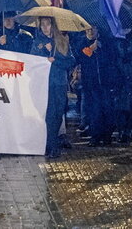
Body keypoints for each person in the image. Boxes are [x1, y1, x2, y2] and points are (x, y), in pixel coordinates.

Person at [30, 17, 76, 159]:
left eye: (48, 24)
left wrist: (56, 59)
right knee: (49, 114)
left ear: (53, 25)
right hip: (45, 84)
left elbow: (71, 61)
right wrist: (44, 53)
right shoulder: (37, 43)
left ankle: (52, 143)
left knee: (57, 114)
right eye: (42, 24)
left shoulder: (62, 41)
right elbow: (33, 62)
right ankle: (50, 146)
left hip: (59, 83)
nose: (45, 27)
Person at [73, 27, 115, 146]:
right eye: (88, 29)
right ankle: (95, 136)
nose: (90, 32)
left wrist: (101, 49)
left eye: (93, 29)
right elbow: (77, 57)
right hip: (90, 83)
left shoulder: (105, 41)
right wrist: (90, 50)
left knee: (106, 109)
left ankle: (107, 136)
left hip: (104, 82)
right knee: (93, 110)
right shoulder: (81, 42)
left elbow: (112, 58)